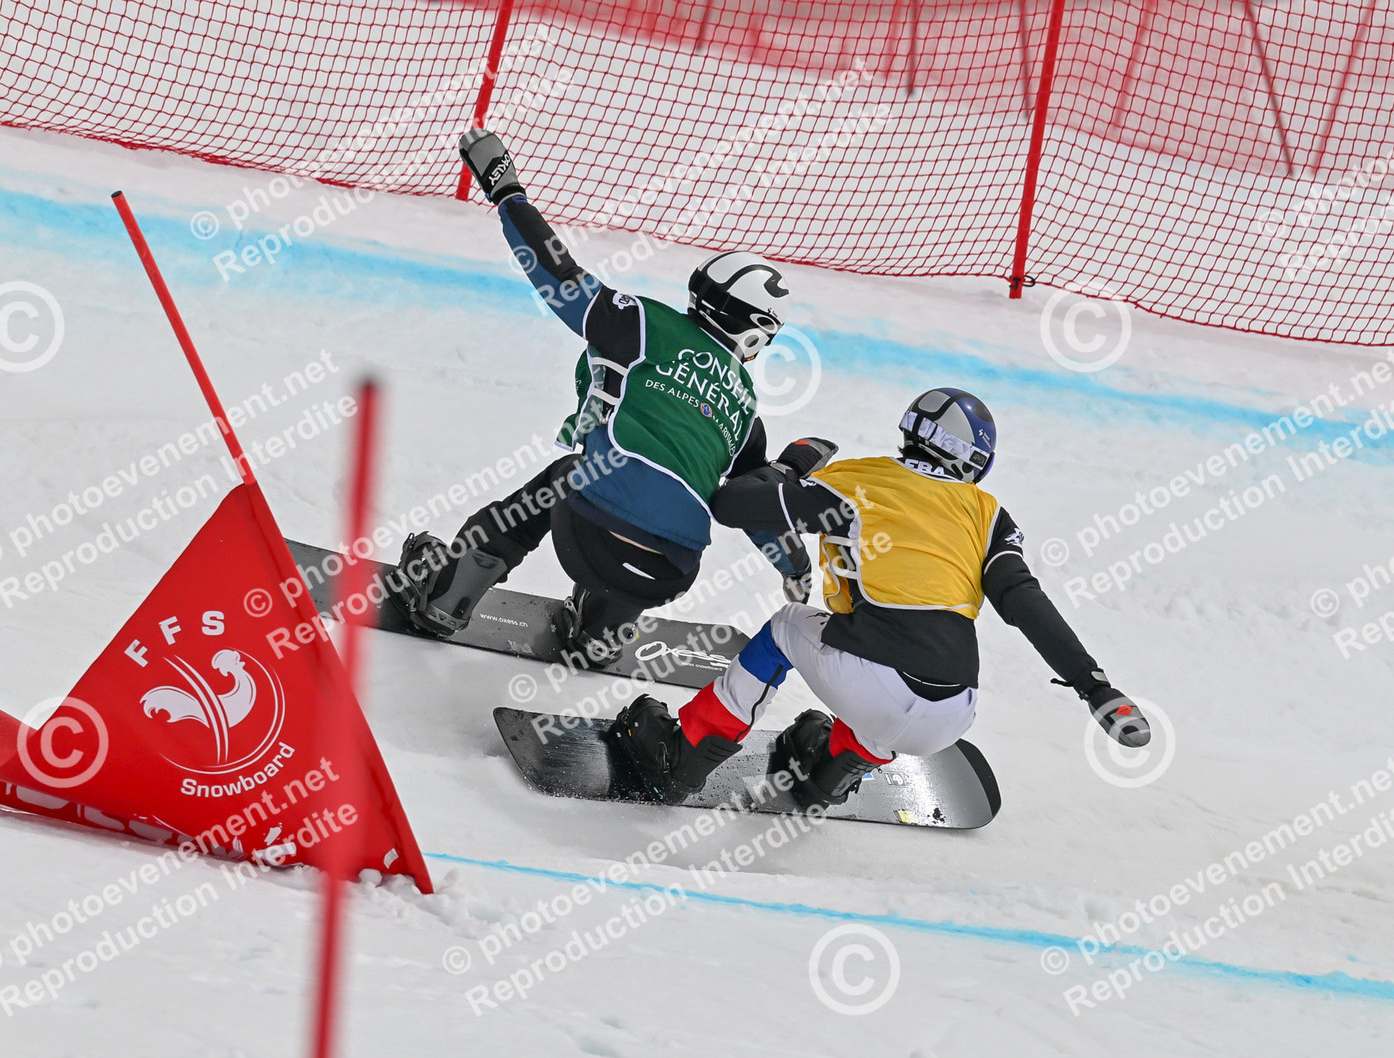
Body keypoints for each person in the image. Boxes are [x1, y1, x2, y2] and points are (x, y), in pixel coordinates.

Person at [611, 387, 1152, 805]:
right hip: (953, 713)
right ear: (974, 461)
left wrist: (792, 465)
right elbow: (1025, 602)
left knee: (787, 626)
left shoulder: (857, 481)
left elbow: (731, 504)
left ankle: (682, 758)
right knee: (874, 653)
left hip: (871, 684)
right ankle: (834, 769)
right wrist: (1094, 687)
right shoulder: (988, 514)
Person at [398, 128, 805, 667]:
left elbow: (556, 272)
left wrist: (507, 191)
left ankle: (446, 595)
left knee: (569, 474)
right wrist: (795, 569)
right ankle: (599, 633)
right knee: (648, 501)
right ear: (756, 334)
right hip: (670, 574)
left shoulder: (639, 322)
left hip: (589, 536)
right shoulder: (747, 411)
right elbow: (757, 506)